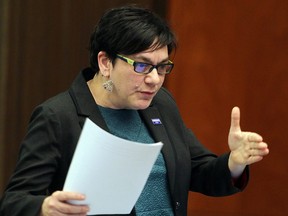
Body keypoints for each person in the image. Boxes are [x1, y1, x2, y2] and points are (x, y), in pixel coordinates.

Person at [0, 5, 269, 216]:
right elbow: (14, 202)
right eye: (141, 65)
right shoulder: (58, 116)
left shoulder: (161, 103)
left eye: (162, 66)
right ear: (105, 62)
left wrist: (235, 162)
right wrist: (45, 208)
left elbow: (198, 173)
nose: (154, 78)